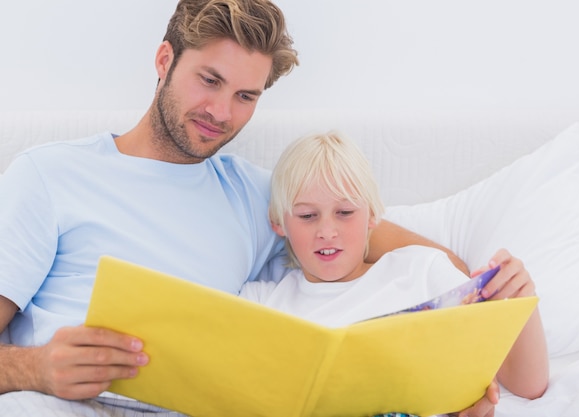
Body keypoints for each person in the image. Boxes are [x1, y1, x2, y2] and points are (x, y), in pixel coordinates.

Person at [0, 0, 468, 416]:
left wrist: (454, 381)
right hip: (62, 402)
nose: (222, 113)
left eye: (246, 97)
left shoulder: (262, 198)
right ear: (165, 60)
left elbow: (426, 265)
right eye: (210, 80)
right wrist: (33, 368)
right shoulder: (48, 175)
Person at [239, 131, 550, 417]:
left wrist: (521, 299)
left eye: (345, 212)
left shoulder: (422, 270)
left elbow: (528, 386)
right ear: (278, 222)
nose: (327, 231)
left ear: (372, 215)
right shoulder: (259, 302)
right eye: (307, 216)